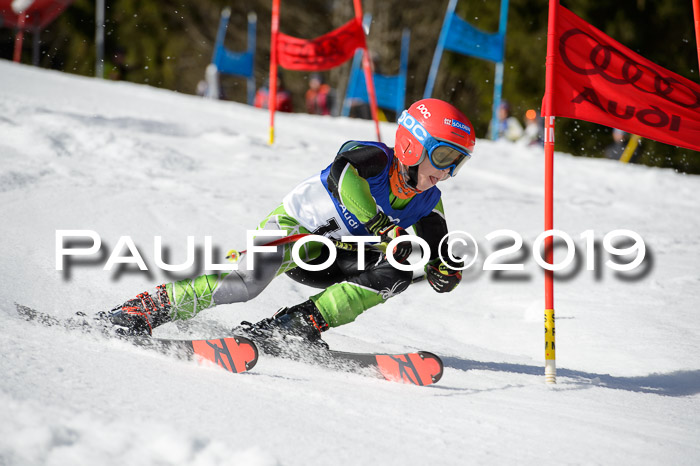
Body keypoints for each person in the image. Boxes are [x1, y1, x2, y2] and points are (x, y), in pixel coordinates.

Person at [108, 98, 474, 352]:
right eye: (443, 156)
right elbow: (343, 176)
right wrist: (380, 226)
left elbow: (438, 248)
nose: (446, 172)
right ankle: (146, 309)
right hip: (293, 230)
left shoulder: (428, 200)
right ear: (413, 145)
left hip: (335, 259)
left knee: (397, 272)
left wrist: (445, 270)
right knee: (246, 284)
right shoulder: (373, 158)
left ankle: (294, 327)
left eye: (457, 162)